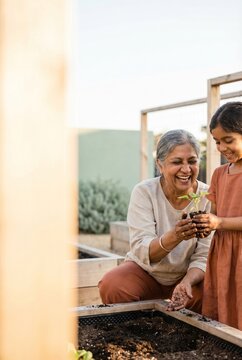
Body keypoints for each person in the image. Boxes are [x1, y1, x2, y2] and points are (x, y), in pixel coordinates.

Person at [98, 129, 212, 313]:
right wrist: (175, 236)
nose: (186, 169)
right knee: (113, 285)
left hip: (187, 275)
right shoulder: (145, 192)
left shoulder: (207, 196)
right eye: (177, 162)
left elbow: (204, 256)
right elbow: (142, 250)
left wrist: (186, 283)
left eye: (192, 161)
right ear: (160, 165)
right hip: (147, 272)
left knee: (215, 291)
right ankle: (133, 333)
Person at [193, 101, 242, 330]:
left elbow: (219, 220)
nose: (221, 147)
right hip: (223, 252)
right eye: (217, 142)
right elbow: (214, 213)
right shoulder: (219, 174)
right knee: (224, 307)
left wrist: (219, 222)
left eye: (228, 140)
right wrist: (204, 222)